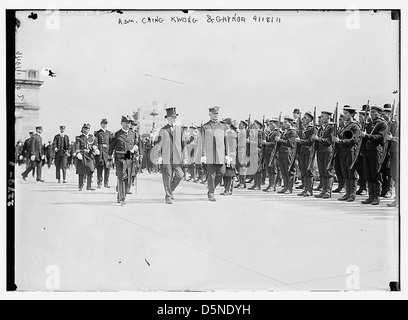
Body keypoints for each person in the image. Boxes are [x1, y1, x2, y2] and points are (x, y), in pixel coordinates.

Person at [153, 108, 188, 204]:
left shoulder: (179, 130)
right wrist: (159, 156)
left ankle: (170, 190)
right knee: (167, 177)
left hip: (177, 158)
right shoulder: (163, 130)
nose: (174, 119)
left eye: (175, 117)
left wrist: (185, 158)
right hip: (166, 157)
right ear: (167, 118)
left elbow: (184, 144)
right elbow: (158, 145)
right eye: (172, 117)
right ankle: (168, 196)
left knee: (180, 175)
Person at [360, 105, 388, 205]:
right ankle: (370, 196)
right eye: (370, 112)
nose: (371, 114)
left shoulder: (382, 124)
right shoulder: (368, 124)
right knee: (368, 174)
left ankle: (376, 196)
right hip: (367, 151)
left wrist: (366, 135)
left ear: (379, 113)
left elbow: (380, 137)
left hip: (376, 151)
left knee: (375, 174)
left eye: (374, 112)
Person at [108, 116, 139, 205]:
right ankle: (122, 198)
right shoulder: (116, 134)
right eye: (125, 123)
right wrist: (109, 159)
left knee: (127, 179)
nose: (127, 124)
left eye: (128, 123)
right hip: (119, 158)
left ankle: (120, 196)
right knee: (121, 178)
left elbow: (136, 144)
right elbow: (111, 147)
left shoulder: (133, 134)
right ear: (121, 123)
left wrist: (135, 148)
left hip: (129, 157)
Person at [333, 106, 361, 202]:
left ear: (352, 115)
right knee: (345, 172)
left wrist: (340, 141)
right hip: (342, 151)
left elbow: (354, 140)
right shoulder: (345, 126)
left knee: (351, 172)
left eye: (346, 113)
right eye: (344, 113)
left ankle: (352, 194)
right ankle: (347, 193)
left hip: (350, 151)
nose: (344, 115)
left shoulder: (354, 126)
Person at [201, 106, 228, 202]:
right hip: (210, 154)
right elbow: (203, 141)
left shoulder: (222, 126)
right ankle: (211, 193)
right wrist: (203, 155)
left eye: (217, 114)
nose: (215, 115)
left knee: (221, 172)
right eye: (213, 114)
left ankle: (211, 188)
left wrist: (227, 155)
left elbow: (226, 141)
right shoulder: (205, 126)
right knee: (211, 174)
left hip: (220, 154)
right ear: (209, 114)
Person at [312, 111, 334, 199]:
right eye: (321, 117)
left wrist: (318, 139)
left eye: (323, 117)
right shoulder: (321, 128)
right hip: (320, 151)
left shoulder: (332, 128)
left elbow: (330, 141)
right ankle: (324, 190)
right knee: (322, 171)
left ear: (328, 118)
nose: (321, 118)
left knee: (328, 171)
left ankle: (328, 191)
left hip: (328, 151)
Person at [295, 111, 316, 197]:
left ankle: (309, 190)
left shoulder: (312, 129)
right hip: (302, 151)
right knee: (303, 171)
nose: (304, 119)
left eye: (306, 118)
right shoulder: (305, 129)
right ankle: (306, 189)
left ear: (310, 119)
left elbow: (311, 141)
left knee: (308, 171)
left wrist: (301, 141)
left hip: (308, 151)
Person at [276, 116, 297, 194]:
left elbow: (289, 143)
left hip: (288, 152)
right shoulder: (284, 131)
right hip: (282, 152)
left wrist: (279, 140)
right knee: (283, 170)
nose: (284, 124)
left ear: (290, 123)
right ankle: (285, 187)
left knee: (289, 170)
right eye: (284, 122)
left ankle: (289, 188)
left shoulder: (292, 132)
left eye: (286, 122)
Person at [75, 124, 99, 191]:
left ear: (89, 129)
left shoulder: (91, 137)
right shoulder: (79, 138)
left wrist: (95, 147)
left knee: (90, 170)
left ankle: (89, 186)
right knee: (81, 171)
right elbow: (77, 146)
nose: (86, 130)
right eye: (85, 128)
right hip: (82, 155)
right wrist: (78, 153)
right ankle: (80, 186)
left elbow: (95, 144)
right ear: (82, 129)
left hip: (89, 156)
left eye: (87, 128)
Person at [262, 118, 281, 192]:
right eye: (269, 124)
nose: (269, 126)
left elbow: (275, 143)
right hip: (268, 153)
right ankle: (270, 184)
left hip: (273, 153)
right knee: (269, 170)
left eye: (271, 124)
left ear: (275, 124)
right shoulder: (270, 132)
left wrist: (266, 143)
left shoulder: (277, 132)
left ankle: (273, 186)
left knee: (273, 170)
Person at [379, 104, 394, 198]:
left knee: (390, 171)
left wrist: (392, 138)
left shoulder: (394, 124)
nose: (383, 116)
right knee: (383, 171)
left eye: (385, 114)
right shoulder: (383, 124)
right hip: (383, 150)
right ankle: (383, 190)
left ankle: (389, 190)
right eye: (383, 114)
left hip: (391, 150)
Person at [94, 119, 113, 189]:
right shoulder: (98, 133)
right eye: (103, 123)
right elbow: (95, 141)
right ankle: (99, 183)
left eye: (105, 123)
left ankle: (106, 183)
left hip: (107, 153)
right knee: (99, 168)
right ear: (101, 124)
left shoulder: (109, 133)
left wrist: (111, 152)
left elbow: (111, 143)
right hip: (100, 152)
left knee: (107, 168)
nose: (104, 125)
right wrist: (96, 148)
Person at [221, 118, 237, 195]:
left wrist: (231, 156)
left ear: (228, 124)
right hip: (224, 155)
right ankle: (226, 189)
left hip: (230, 155)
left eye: (224, 124)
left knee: (229, 173)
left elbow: (233, 146)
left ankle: (228, 189)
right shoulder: (224, 132)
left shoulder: (232, 133)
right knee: (224, 173)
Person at [387, 106, 399, 208]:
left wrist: (393, 139)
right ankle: (397, 199)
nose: (396, 113)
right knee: (396, 177)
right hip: (394, 153)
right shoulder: (396, 125)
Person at [355, 108, 369, 195]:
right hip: (358, 150)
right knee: (359, 170)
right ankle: (362, 186)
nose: (360, 118)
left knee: (365, 171)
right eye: (359, 116)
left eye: (362, 116)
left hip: (365, 150)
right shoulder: (359, 126)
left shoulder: (368, 126)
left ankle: (364, 188)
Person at [248, 120, 264, 191]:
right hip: (253, 151)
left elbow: (259, 143)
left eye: (255, 124)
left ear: (258, 125)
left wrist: (250, 142)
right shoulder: (254, 133)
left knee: (258, 169)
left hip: (257, 152)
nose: (253, 126)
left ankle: (258, 185)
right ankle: (255, 184)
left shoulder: (260, 133)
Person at [332, 114, 345, 194]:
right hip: (337, 151)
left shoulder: (346, 129)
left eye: (341, 119)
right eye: (339, 119)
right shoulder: (338, 129)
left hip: (343, 150)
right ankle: (340, 185)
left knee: (344, 170)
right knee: (338, 169)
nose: (339, 121)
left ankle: (344, 186)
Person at [235, 120, 249, 189]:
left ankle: (242, 183)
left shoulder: (243, 133)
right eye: (239, 124)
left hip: (242, 151)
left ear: (244, 126)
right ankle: (241, 182)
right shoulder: (240, 132)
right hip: (239, 151)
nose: (240, 125)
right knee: (239, 167)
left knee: (242, 168)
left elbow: (242, 144)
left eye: (241, 125)